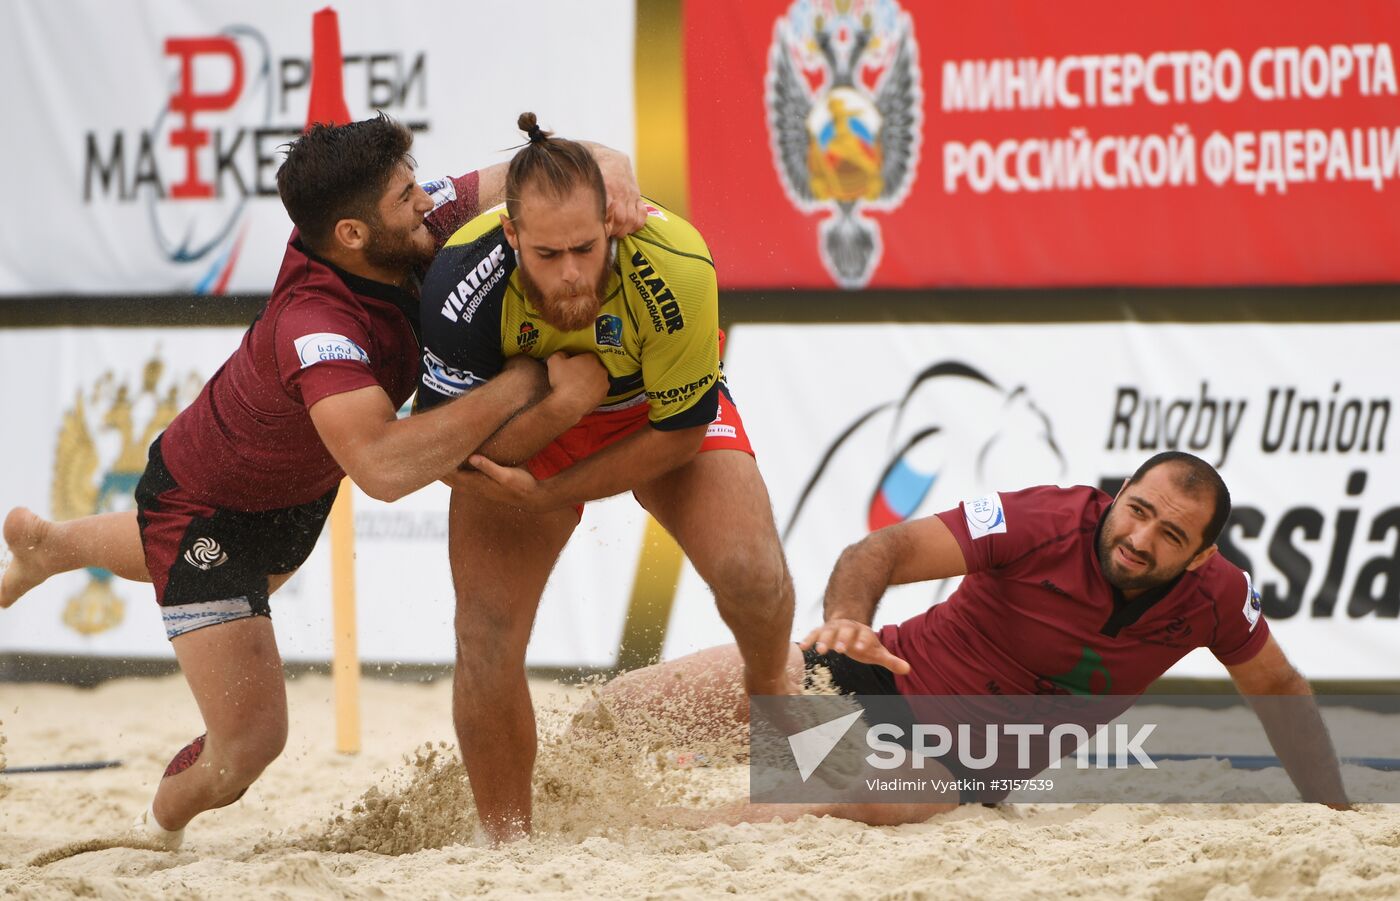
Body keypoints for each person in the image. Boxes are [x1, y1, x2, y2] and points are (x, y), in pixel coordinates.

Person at [0, 114, 642, 849]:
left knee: (750, 577)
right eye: (407, 198)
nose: (427, 202)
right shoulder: (317, 322)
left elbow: (553, 167)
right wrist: (524, 387)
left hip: (291, 487)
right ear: (352, 235)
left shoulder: (403, 219)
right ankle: (156, 828)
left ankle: (54, 547)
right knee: (248, 746)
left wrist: (613, 171)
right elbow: (383, 468)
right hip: (210, 508)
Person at [595, 451, 1351, 825]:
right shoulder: (1043, 517)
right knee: (620, 712)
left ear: (1203, 554)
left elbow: (1280, 687)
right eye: (1136, 509)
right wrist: (851, 616)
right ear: (1117, 495)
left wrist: (1334, 811)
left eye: (1170, 532)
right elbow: (880, 549)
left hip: (956, 764)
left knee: (786, 811)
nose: (1140, 537)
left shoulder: (1217, 597)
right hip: (861, 673)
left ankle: (656, 836)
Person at [413, 113, 799, 843]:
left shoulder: (677, 258)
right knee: (485, 637)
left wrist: (556, 491)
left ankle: (771, 685)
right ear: (511, 237)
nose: (569, 273)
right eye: (548, 252)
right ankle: (507, 845)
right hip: (536, 424)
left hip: (652, 412)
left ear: (612, 227)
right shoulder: (462, 275)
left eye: (586, 249)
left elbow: (682, 431)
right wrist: (565, 401)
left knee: (753, 574)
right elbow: (452, 454)